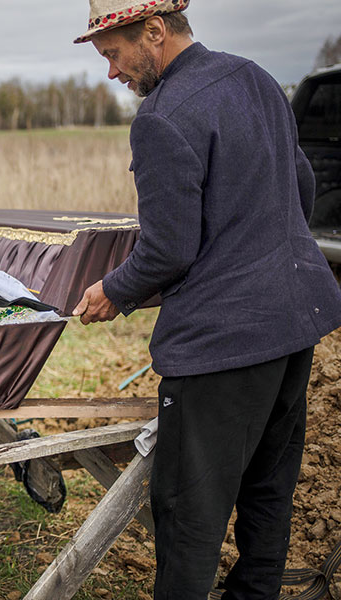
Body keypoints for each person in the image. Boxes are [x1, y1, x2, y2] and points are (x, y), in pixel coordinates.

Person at [71, 1, 341, 598]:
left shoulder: (162, 117)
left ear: (155, 31)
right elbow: (302, 184)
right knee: (269, 492)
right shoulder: (257, 78)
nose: (111, 72)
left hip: (222, 347)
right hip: (294, 326)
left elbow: (167, 251)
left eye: (113, 55)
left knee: (191, 512)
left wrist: (112, 291)